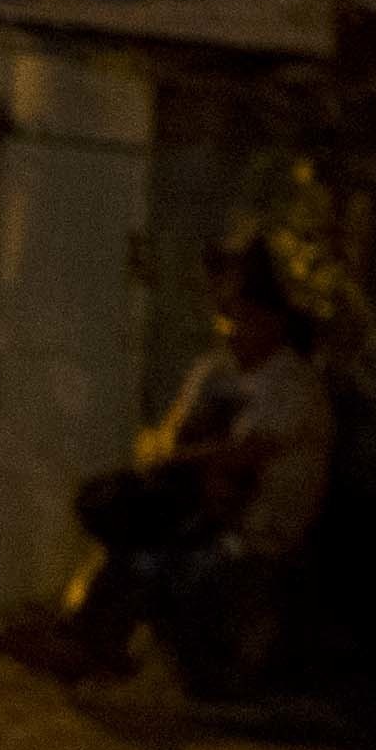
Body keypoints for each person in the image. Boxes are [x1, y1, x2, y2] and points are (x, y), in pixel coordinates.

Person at [57, 254, 331, 690]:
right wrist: (184, 464)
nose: (230, 329)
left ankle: (186, 668)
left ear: (273, 322)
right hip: (203, 512)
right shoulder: (216, 372)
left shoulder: (292, 384)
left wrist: (187, 463)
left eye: (242, 318)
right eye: (227, 317)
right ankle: (93, 643)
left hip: (258, 529)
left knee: (175, 565)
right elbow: (172, 439)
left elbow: (244, 454)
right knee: (126, 529)